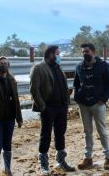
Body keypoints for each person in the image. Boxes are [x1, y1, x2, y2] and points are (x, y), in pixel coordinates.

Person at [29, 45, 75, 175]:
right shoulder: (38, 68)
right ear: (50, 54)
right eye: (57, 53)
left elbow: (64, 86)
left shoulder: (58, 68)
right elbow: (34, 90)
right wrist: (43, 107)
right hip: (48, 108)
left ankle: (61, 161)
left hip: (61, 107)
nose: (59, 56)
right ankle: (43, 164)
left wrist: (66, 103)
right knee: (46, 135)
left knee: (60, 134)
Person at [74, 43, 109, 170]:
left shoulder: (103, 66)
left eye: (87, 51)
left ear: (93, 52)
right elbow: (76, 84)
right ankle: (88, 158)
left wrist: (103, 99)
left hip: (98, 104)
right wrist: (77, 97)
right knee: (87, 132)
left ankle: (108, 158)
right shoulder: (79, 67)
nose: (85, 53)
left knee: (102, 131)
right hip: (83, 105)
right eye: (83, 52)